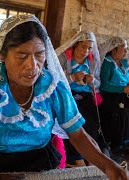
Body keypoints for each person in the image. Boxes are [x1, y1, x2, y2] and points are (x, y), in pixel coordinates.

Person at [0, 15, 128, 180]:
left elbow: (78, 135)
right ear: (2, 55)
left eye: (39, 54)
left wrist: (109, 166)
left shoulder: (53, 88)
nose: (32, 66)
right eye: (22, 55)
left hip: (38, 166)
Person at [55, 31, 103, 167]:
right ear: (74, 45)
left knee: (91, 123)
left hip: (85, 94)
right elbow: (55, 79)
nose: (86, 51)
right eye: (83, 47)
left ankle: (91, 155)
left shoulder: (91, 61)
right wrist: (72, 77)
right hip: (67, 94)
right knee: (74, 123)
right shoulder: (64, 58)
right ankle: (76, 157)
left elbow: (98, 83)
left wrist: (91, 81)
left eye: (89, 48)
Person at [98, 36, 129, 154]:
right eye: (123, 49)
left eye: (126, 49)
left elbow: (128, 81)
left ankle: (128, 144)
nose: (126, 52)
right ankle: (114, 145)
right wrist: (123, 89)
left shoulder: (124, 64)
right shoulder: (107, 63)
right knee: (120, 114)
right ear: (113, 50)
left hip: (123, 95)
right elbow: (104, 85)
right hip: (109, 95)